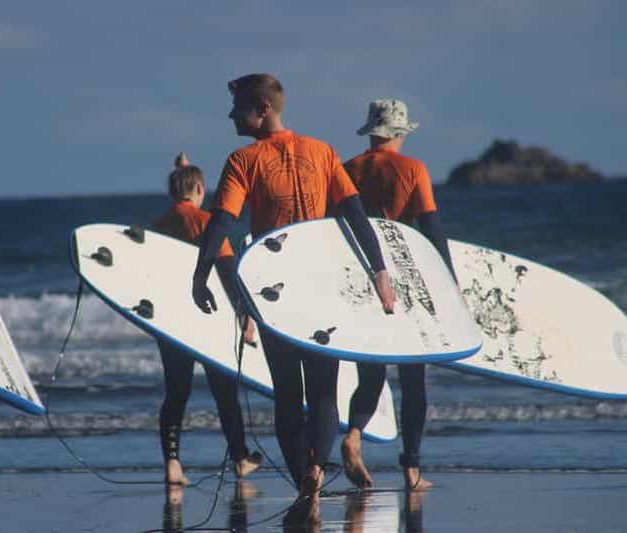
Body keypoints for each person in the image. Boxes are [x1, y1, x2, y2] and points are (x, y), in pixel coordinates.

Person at [190, 74, 396, 523]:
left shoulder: (243, 159)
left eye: (239, 108)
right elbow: (355, 215)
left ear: (263, 109)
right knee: (323, 391)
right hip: (322, 286)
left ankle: (305, 482)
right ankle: (316, 475)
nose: (231, 115)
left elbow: (221, 221)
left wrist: (201, 274)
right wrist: (379, 269)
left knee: (287, 392)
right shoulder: (323, 152)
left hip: (275, 291)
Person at [340, 98, 456, 492]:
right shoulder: (413, 169)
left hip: (362, 278)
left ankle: (354, 434)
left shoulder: (348, 169)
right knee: (413, 381)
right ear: (399, 132)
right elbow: (431, 228)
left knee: (371, 375)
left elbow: (334, 225)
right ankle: (411, 469)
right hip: (405, 279)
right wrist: (449, 284)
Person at [151, 157, 262, 486]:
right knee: (224, 390)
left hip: (171, 320)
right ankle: (240, 457)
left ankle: (172, 463)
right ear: (199, 188)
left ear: (172, 191)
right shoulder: (207, 223)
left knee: (176, 391)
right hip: (209, 317)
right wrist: (246, 316)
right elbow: (228, 275)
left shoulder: (158, 225)